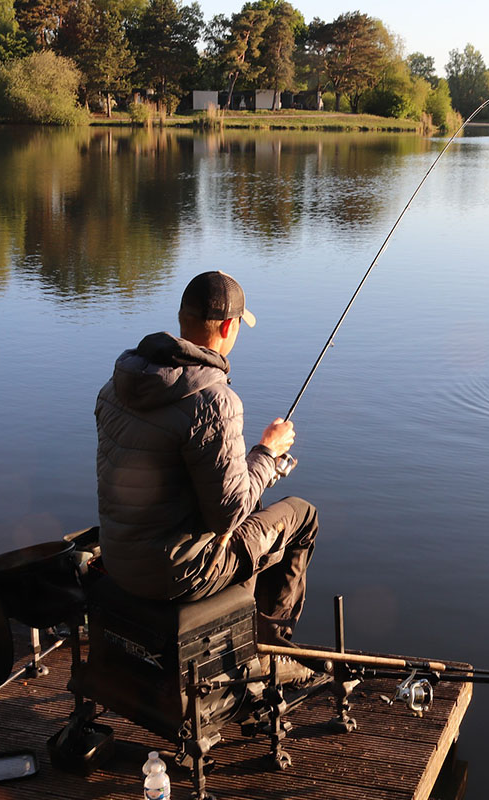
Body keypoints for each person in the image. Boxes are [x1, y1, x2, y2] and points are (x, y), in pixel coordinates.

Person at [95, 270, 319, 682]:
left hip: (119, 558)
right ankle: (270, 650)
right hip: (180, 575)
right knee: (302, 516)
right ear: (230, 327)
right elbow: (229, 516)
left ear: (182, 318)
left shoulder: (117, 385)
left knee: (261, 510)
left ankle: (250, 633)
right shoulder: (214, 401)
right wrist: (267, 453)